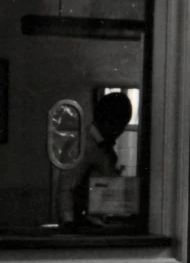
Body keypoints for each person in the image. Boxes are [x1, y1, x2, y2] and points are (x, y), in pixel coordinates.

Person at [57, 91, 133, 227]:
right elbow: (66, 190)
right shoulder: (82, 146)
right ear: (109, 121)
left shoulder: (104, 147)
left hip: (97, 223)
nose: (121, 131)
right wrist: (69, 225)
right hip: (83, 226)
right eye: (120, 125)